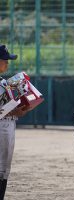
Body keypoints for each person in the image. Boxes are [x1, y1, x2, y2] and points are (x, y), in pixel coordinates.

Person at [0, 44, 29, 199]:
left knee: (4, 170)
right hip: (2, 127)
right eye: (5, 60)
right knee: (1, 170)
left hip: (7, 125)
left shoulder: (3, 81)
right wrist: (15, 110)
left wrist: (23, 106)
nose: (7, 63)